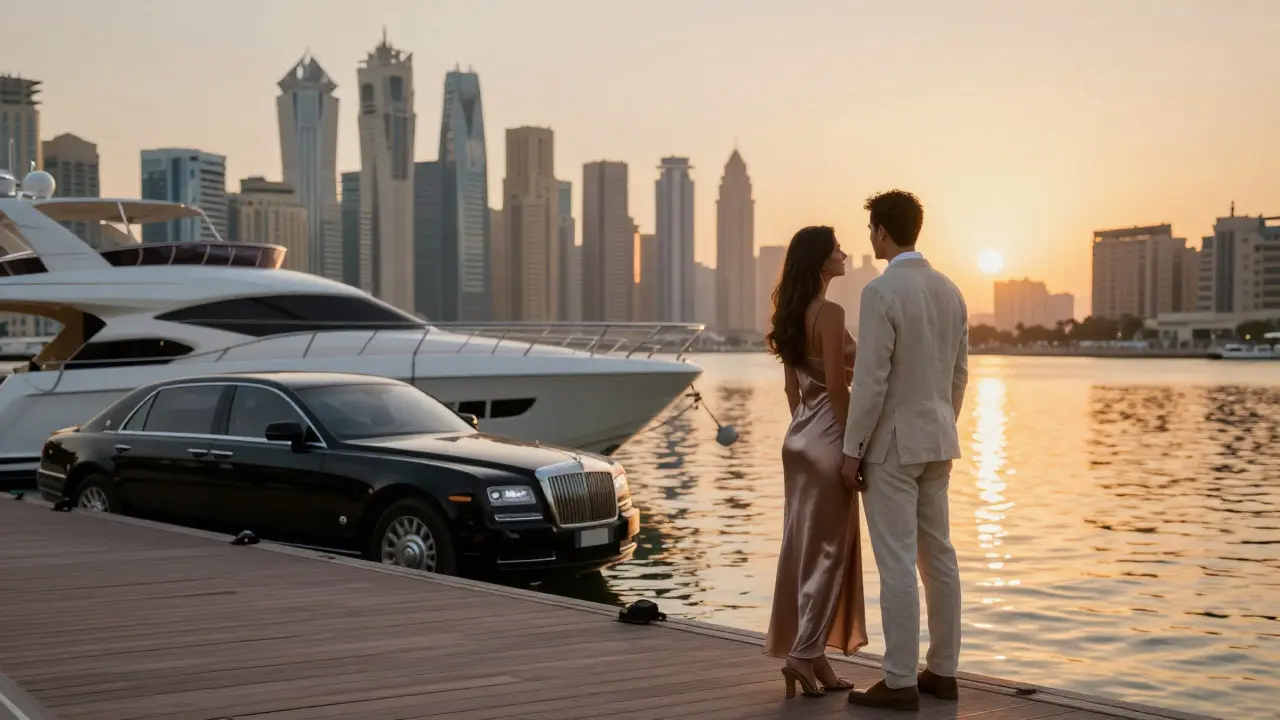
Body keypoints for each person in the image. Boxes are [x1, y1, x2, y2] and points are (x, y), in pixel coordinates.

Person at [842, 190, 969, 711]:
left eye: (872, 229)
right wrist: (941, 422)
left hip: (892, 446)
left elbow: (871, 381)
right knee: (938, 557)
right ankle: (943, 671)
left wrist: (853, 450)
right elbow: (960, 373)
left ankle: (898, 682)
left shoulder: (881, 291)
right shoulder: (951, 290)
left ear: (881, 232)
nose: (871, 237)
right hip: (938, 438)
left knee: (895, 561)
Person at [763, 225, 868, 699]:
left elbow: (792, 390)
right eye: (837, 249)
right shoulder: (830, 312)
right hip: (829, 441)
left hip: (799, 439)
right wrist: (851, 447)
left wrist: (807, 432)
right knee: (830, 553)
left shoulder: (791, 311)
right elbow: (841, 389)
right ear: (823, 261)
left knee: (805, 549)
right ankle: (803, 655)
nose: (845, 254)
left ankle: (816, 654)